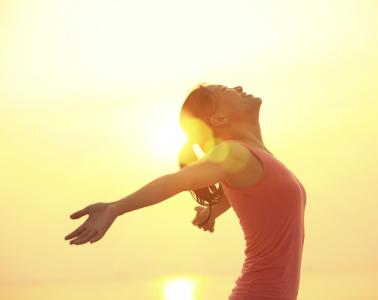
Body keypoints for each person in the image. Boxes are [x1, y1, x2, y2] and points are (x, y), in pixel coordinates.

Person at [64, 83, 307, 300]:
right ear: (220, 118)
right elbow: (178, 181)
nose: (239, 87)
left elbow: (256, 196)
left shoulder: (253, 158)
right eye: (226, 90)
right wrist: (115, 207)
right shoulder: (235, 153)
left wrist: (214, 210)